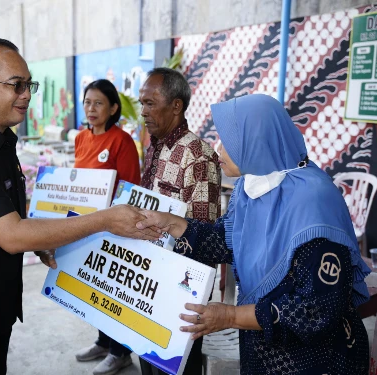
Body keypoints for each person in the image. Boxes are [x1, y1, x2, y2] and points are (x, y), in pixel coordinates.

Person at [0, 38, 158, 375]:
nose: (26, 94)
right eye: (16, 85)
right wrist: (106, 220)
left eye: (29, 84)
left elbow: (7, 215)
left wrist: (41, 242)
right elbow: (12, 235)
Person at [137, 94, 371, 374]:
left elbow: (316, 310)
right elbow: (227, 240)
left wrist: (231, 315)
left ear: (256, 140)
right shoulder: (252, 188)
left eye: (229, 141)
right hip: (262, 349)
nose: (218, 150)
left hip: (314, 360)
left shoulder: (314, 203)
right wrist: (171, 223)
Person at [137, 67, 221, 375]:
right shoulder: (155, 147)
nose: (143, 111)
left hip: (178, 288)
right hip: (145, 277)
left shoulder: (198, 156)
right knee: (146, 357)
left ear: (176, 106)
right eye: (141, 103)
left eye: (150, 103)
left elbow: (205, 237)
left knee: (176, 366)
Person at [73, 79, 141, 375]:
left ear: (113, 107)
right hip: (87, 227)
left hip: (114, 227)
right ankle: (103, 341)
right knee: (95, 287)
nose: (91, 108)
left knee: (115, 291)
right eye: (88, 102)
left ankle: (120, 352)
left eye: (98, 103)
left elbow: (131, 188)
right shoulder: (80, 138)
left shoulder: (121, 141)